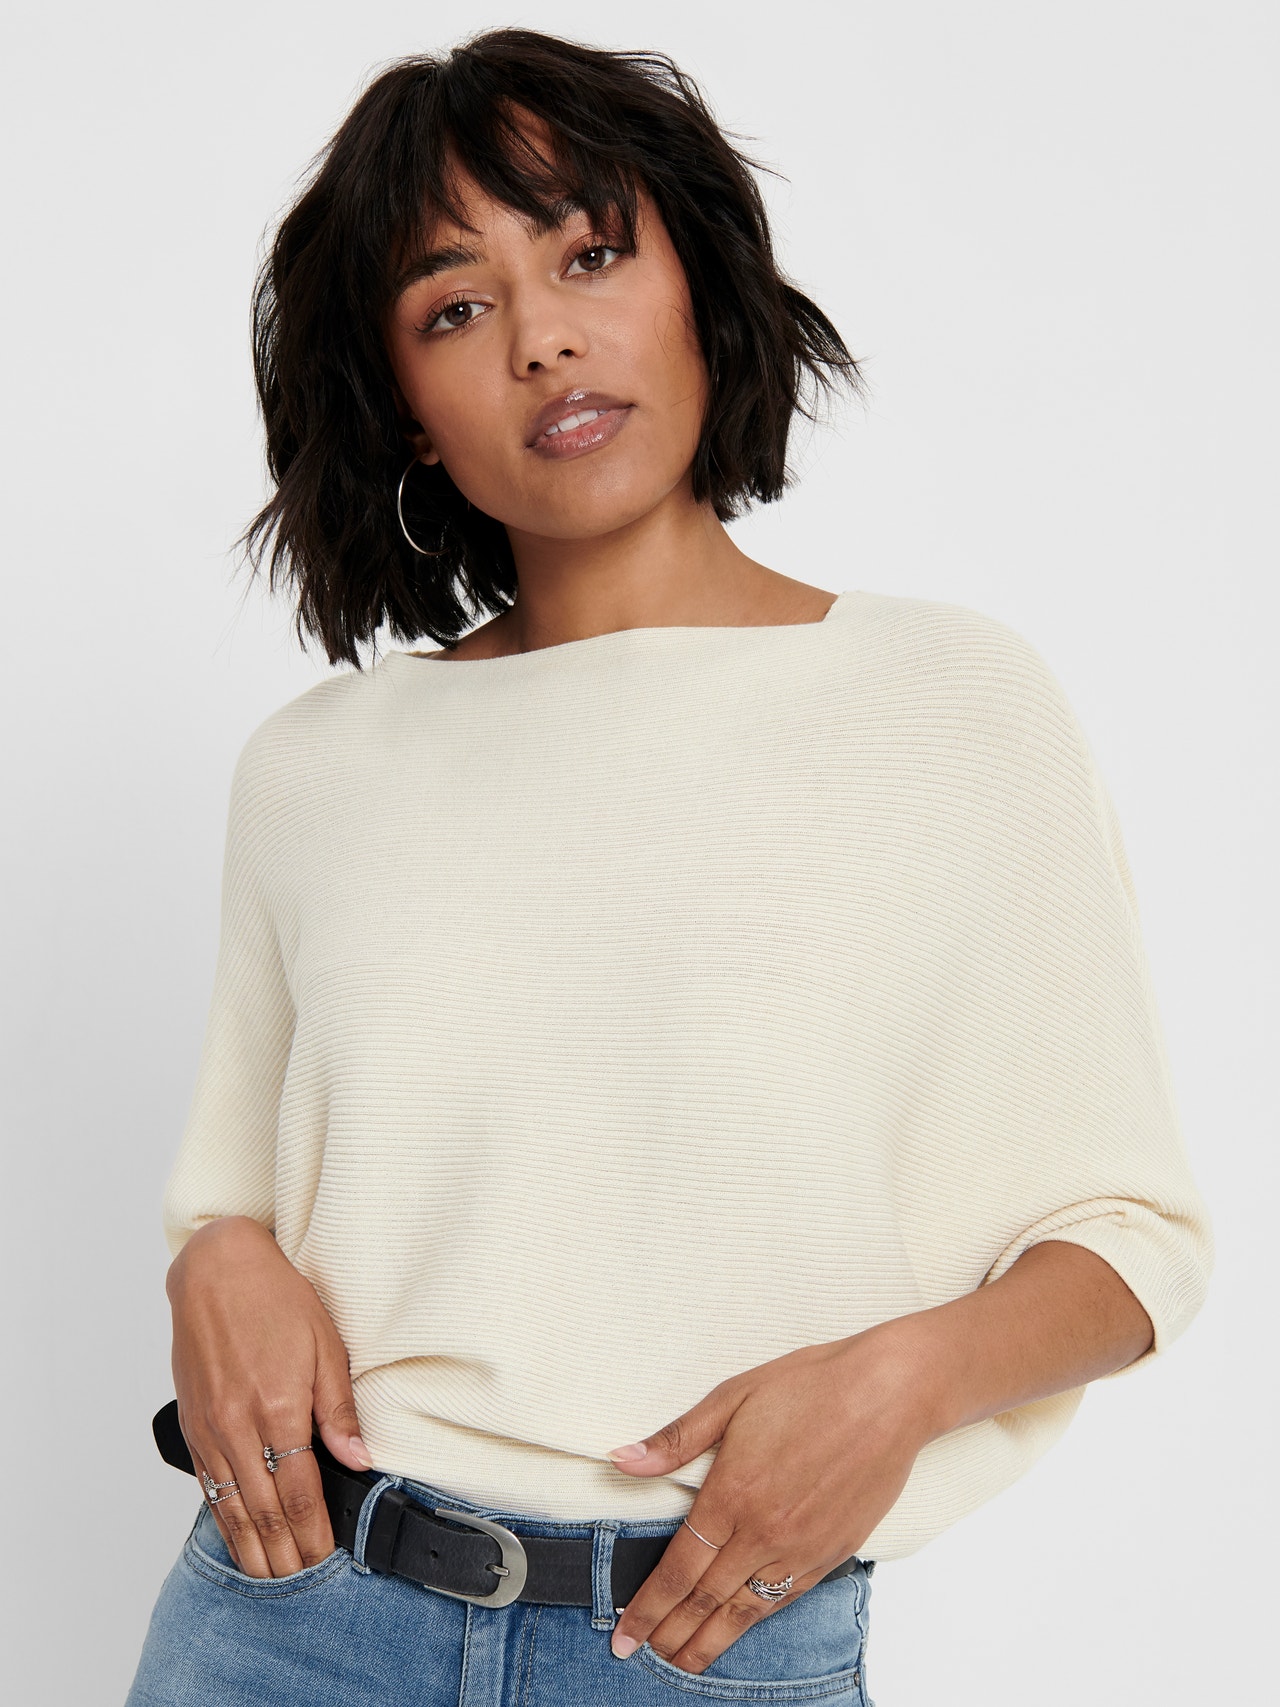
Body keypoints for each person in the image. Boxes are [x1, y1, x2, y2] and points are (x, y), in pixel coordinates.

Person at [126, 26, 1213, 1707]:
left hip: (703, 1642)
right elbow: (240, 1204)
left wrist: (899, 1386)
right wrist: (217, 1256)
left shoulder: (950, 705)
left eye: (589, 255)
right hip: (288, 1624)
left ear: (700, 282)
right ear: (406, 414)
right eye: (455, 308)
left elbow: (1134, 1241)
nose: (543, 337)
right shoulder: (315, 769)